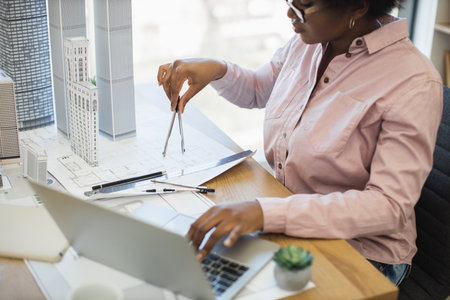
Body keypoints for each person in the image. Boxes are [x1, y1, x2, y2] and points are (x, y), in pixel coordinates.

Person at [157, 0, 443, 286]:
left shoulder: (413, 81)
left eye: (302, 7)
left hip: (362, 253)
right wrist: (217, 68)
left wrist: (264, 213)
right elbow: (258, 89)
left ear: (357, 7)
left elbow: (388, 206)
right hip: (288, 217)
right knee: (189, 273)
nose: (289, 15)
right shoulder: (309, 42)